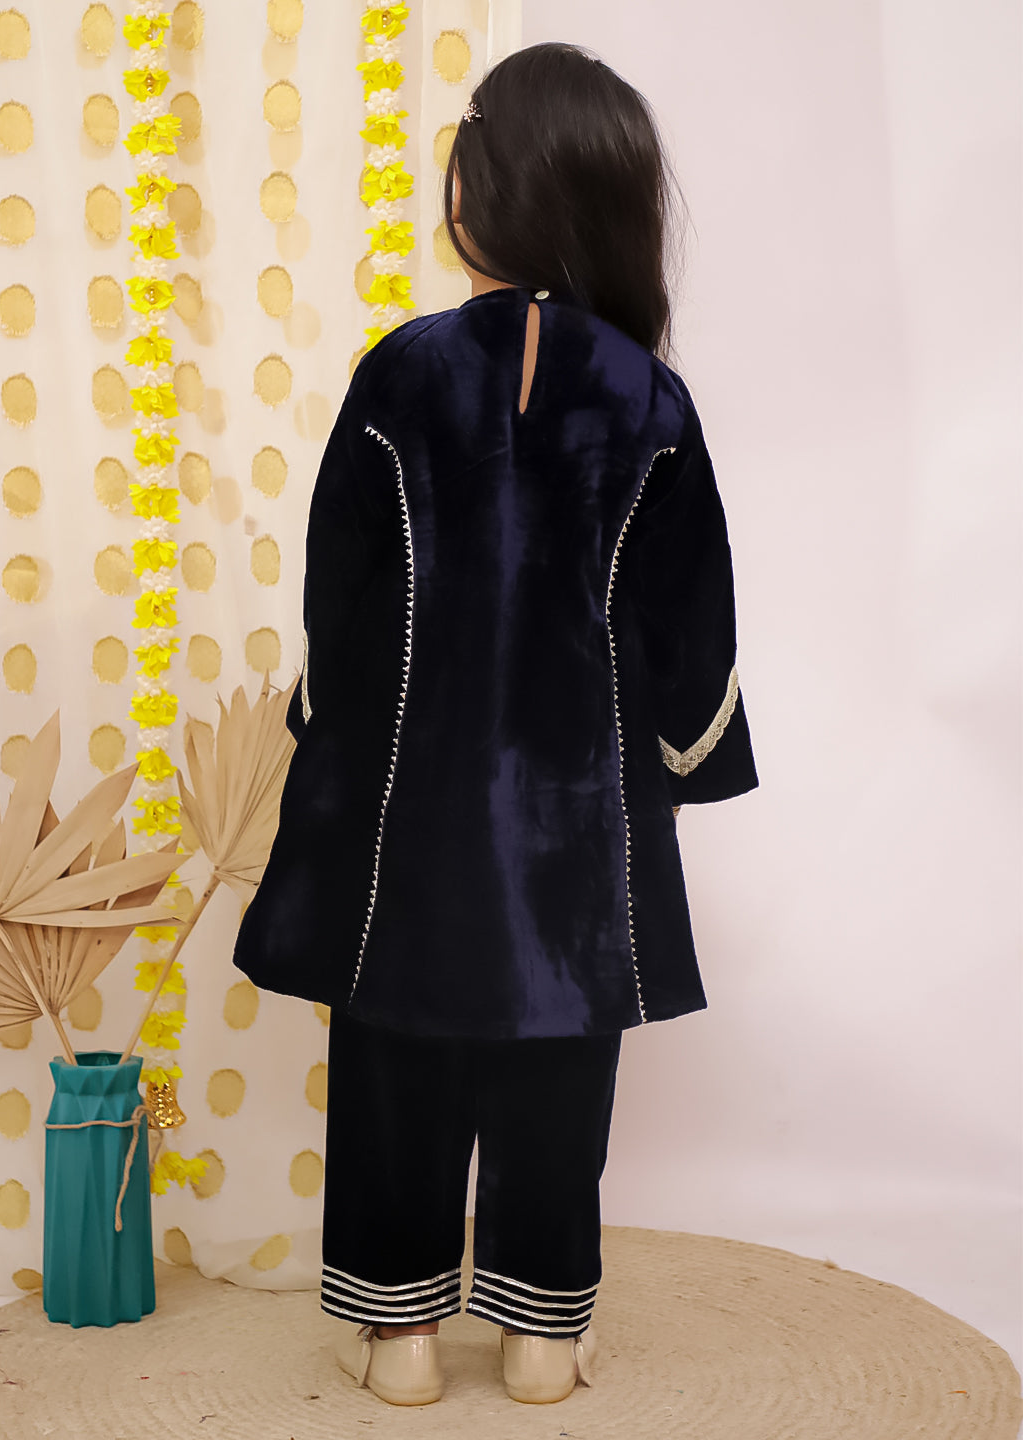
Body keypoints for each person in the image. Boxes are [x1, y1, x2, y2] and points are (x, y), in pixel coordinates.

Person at [232, 40, 758, 1409]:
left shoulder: (398, 375)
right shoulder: (649, 398)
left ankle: (398, 1341)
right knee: (559, 1073)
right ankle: (541, 1340)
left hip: (408, 814)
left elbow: (339, 601)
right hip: (583, 830)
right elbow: (693, 623)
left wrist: (325, 725)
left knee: (394, 1058)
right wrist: (693, 758)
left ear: (484, 192)